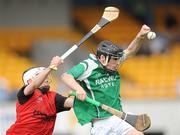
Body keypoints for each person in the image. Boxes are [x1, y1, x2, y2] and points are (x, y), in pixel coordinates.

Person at [61, 24, 151, 135]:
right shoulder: (88, 65)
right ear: (103, 58)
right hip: (101, 123)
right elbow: (66, 76)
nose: (118, 63)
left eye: (118, 59)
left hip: (118, 116)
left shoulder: (113, 61)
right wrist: (78, 89)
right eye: (115, 60)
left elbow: (130, 51)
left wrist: (140, 36)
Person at [6, 56, 74, 135]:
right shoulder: (25, 94)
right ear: (29, 81)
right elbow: (34, 85)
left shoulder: (53, 97)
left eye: (46, 75)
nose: (46, 77)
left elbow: (74, 103)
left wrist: (78, 87)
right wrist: (51, 66)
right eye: (40, 75)